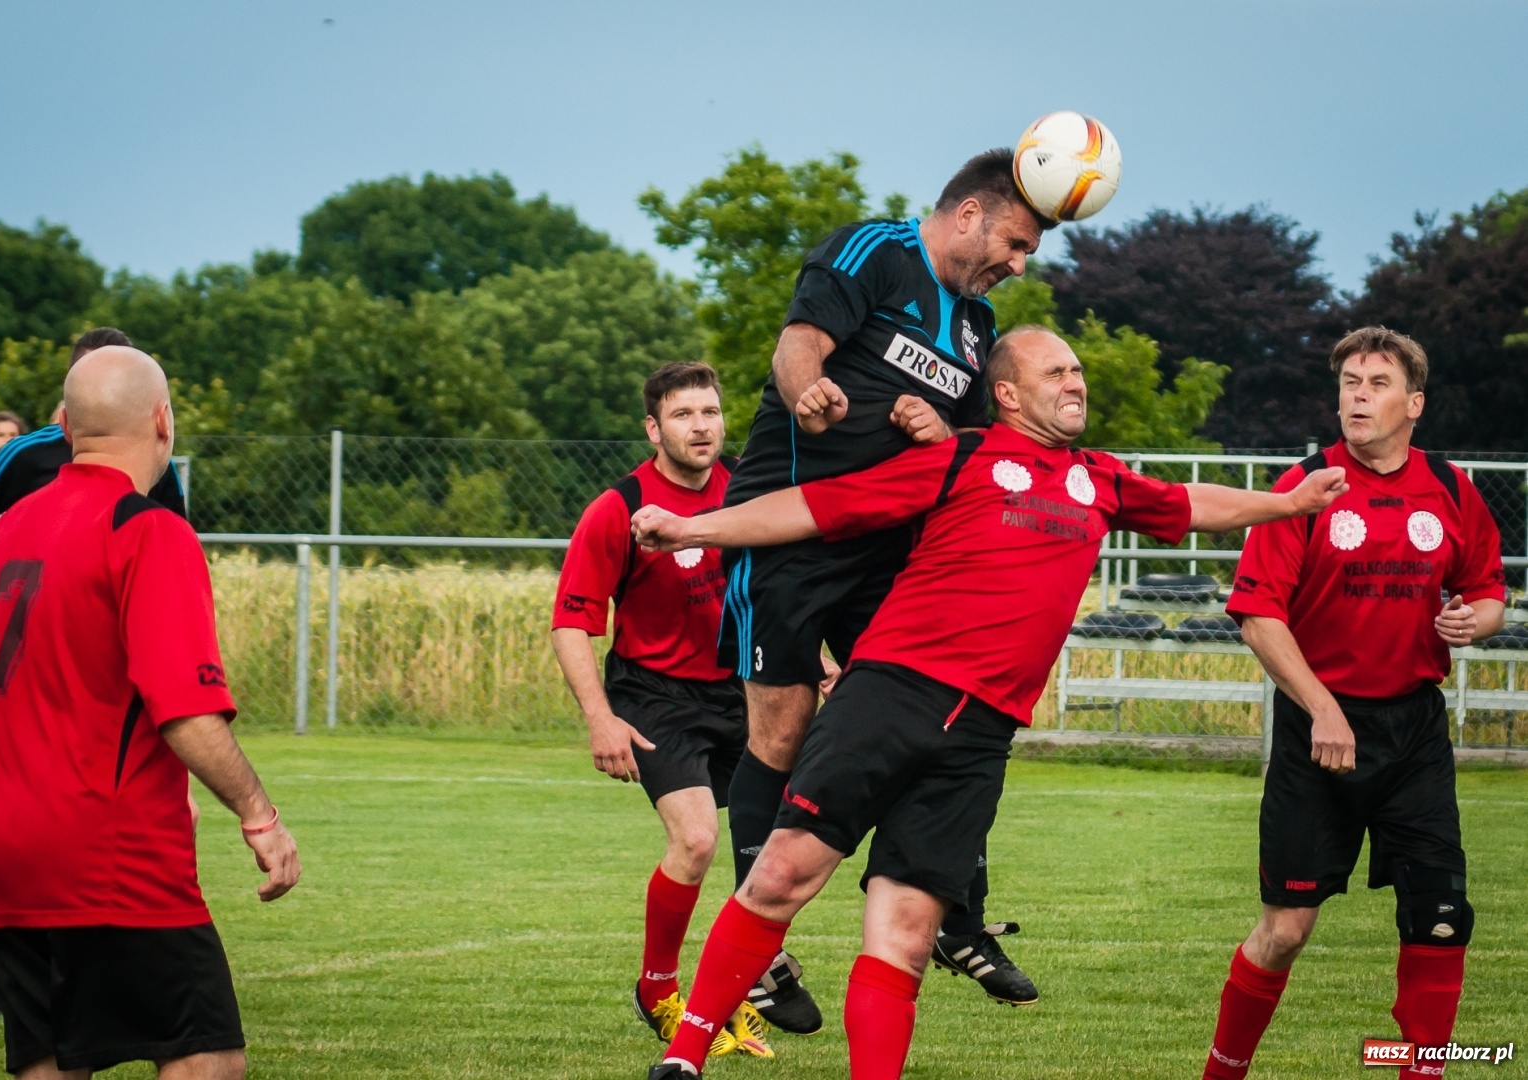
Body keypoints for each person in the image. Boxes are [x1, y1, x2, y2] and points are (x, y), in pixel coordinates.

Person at [629, 326, 1349, 1080]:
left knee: (907, 934)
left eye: (1077, 370)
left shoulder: (1097, 479)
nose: (1076, 382)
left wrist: (1287, 502)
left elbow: (1191, 501)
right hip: (891, 698)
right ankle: (685, 1058)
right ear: (1006, 393)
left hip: (980, 737)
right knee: (782, 875)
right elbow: (815, 508)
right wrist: (690, 526)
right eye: (1056, 371)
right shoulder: (964, 455)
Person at [719, 148, 1050, 1009]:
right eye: (1015, 243)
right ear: (970, 214)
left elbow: (970, 449)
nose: (1018, 265)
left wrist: (935, 425)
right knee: (783, 734)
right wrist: (808, 393)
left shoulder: (975, 325)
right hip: (787, 531)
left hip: (887, 550)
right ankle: (760, 956)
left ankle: (953, 918)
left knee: (930, 718)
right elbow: (800, 343)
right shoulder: (875, 249)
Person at [0, 345, 300, 1079]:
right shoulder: (147, 528)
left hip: (3, 850)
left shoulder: (6, 530)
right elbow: (188, 712)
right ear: (163, 421)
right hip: (109, 851)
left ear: (65, 426)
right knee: (208, 1054)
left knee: (50, 1061)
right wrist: (259, 815)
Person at [1201, 327, 1505, 1080]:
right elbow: (1258, 614)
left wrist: (1477, 619)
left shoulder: (1453, 487)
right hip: (1320, 733)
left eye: (1376, 383)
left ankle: (1417, 1071)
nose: (1358, 396)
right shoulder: (1304, 487)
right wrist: (1322, 706)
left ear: (1415, 404)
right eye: (1349, 384)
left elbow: (1491, 589)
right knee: (1287, 928)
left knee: (1440, 919)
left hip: (1413, 733)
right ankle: (1222, 1072)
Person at [0, 328, 187, 1019]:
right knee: (48, 810)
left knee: (48, 813)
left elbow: (169, 560)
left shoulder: (157, 475)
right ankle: (1, 975)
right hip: (30, 666)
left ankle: (35, 979)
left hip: (83, 669)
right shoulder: (28, 457)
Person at [551, 362, 780, 1058]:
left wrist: (819, 661)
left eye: (710, 412)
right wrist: (600, 718)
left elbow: (784, 586)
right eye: (684, 415)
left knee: (777, 852)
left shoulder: (748, 489)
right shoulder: (617, 508)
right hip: (656, 697)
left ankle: (744, 985)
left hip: (744, 690)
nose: (702, 426)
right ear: (654, 428)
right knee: (697, 840)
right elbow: (570, 623)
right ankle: (658, 987)